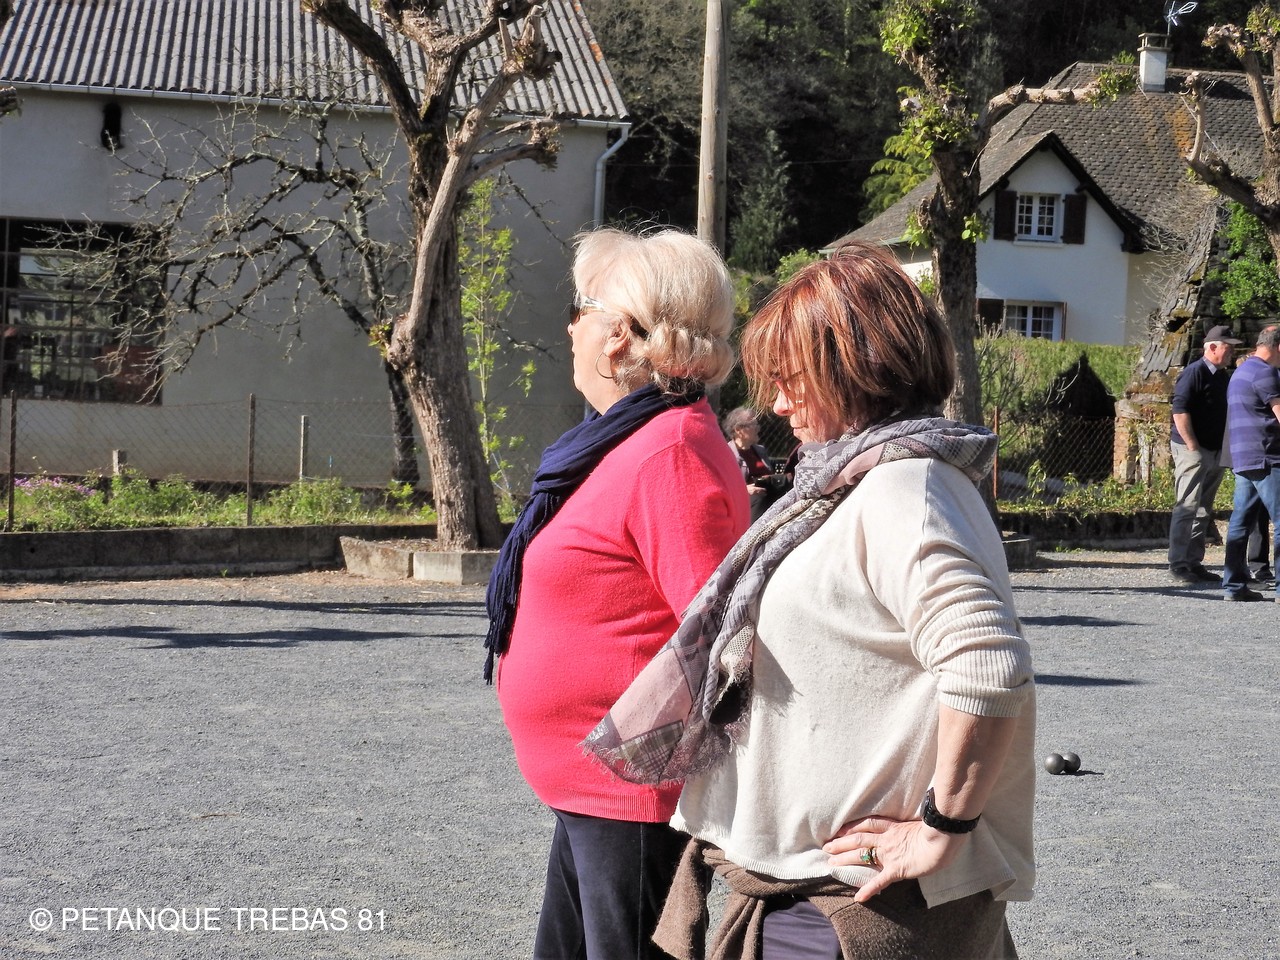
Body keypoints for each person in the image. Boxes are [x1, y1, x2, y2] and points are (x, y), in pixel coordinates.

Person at [587, 243, 1036, 960]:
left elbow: (988, 668)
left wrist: (941, 827)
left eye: (792, 379)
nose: (777, 403)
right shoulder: (860, 483)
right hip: (824, 900)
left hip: (850, 910)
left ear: (858, 371)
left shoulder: (904, 490)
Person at [484, 226, 750, 960]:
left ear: (620, 335)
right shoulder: (625, 442)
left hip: (631, 797)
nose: (570, 327)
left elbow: (722, 640)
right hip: (595, 789)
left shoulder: (669, 454)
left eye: (581, 309)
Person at [1167, 325, 1242, 583]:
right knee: (1187, 507)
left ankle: (1193, 562)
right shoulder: (1194, 372)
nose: (1232, 353)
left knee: (1202, 509)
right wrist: (1192, 446)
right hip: (1194, 449)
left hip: (1214, 450)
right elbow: (1179, 411)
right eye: (1228, 348)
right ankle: (1178, 564)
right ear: (1211, 347)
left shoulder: (1221, 375)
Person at [1220, 324, 1280, 602]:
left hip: (1243, 457)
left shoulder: (1240, 372)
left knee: (1240, 523)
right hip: (1268, 456)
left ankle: (1233, 586)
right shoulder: (1265, 373)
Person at [722, 406, 777, 521]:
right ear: (738, 430)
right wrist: (744, 490)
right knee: (759, 498)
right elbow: (722, 487)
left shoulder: (760, 450)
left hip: (768, 498)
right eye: (753, 424)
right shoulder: (726, 455)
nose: (758, 428)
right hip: (746, 503)